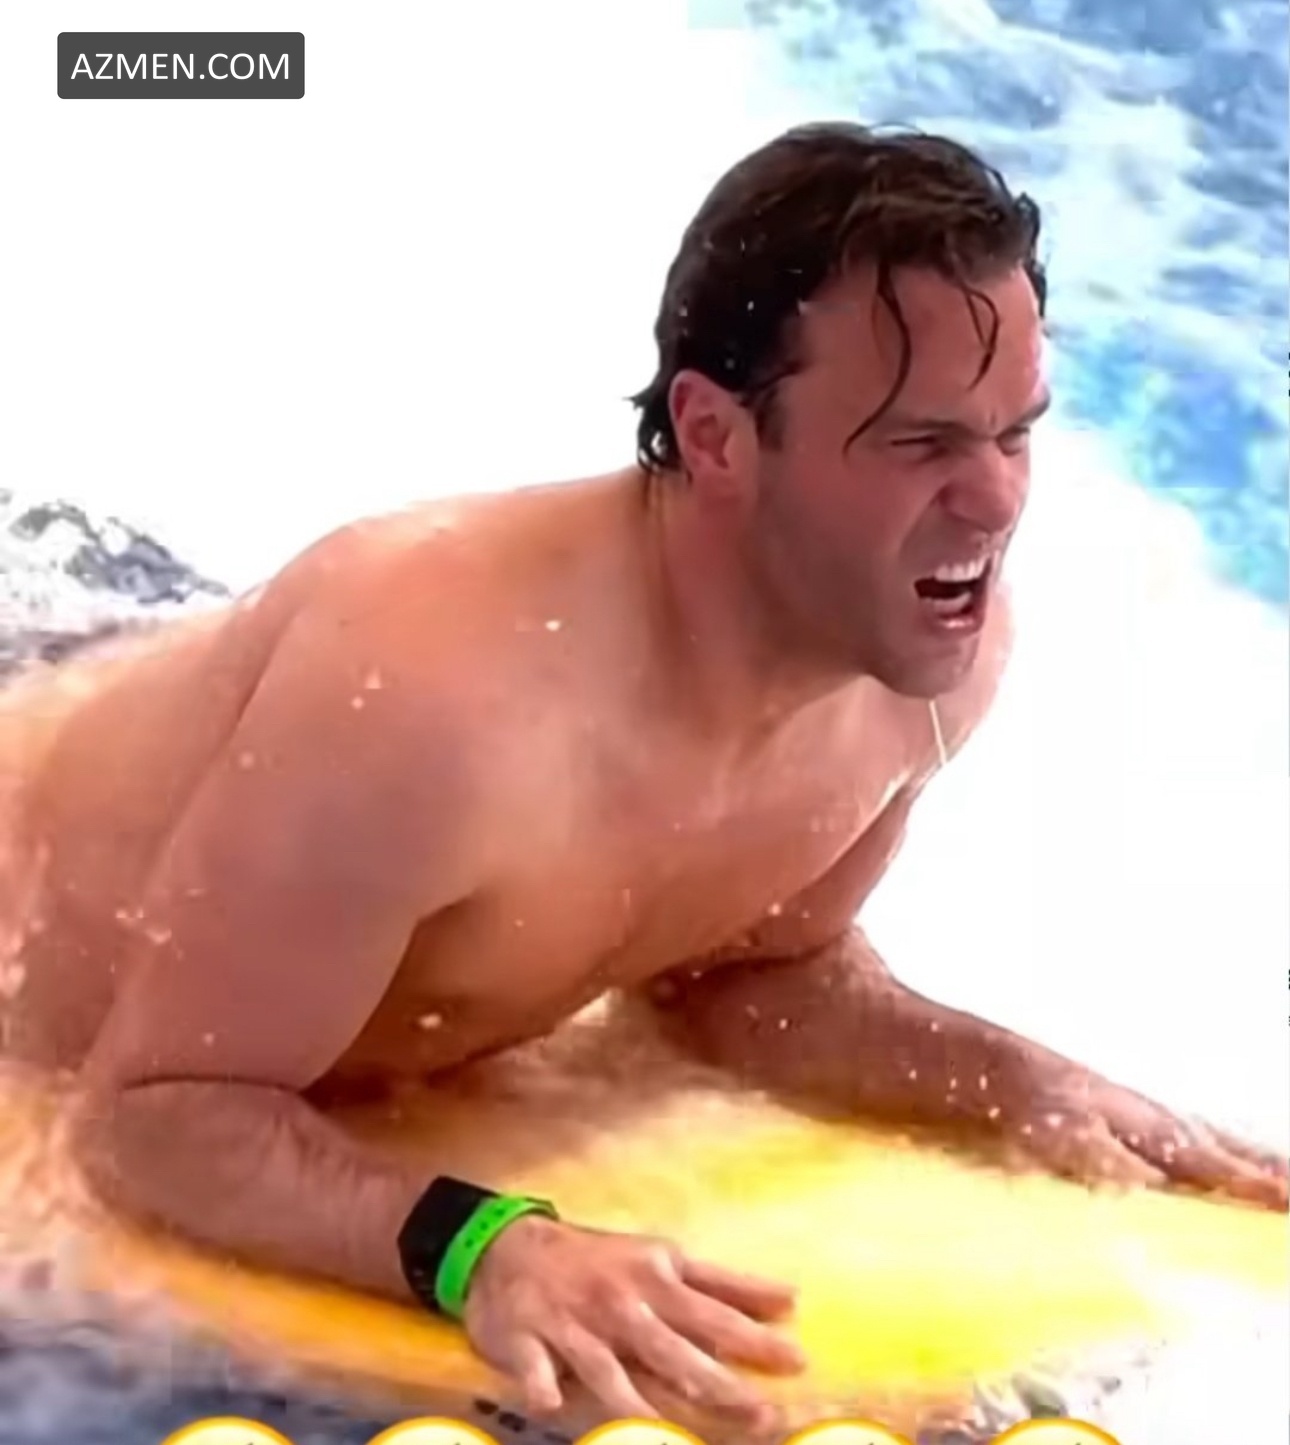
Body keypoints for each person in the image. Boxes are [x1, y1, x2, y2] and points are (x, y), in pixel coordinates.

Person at [1, 121, 1284, 1435]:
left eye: (1015, 434)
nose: (996, 502)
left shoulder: (923, 667)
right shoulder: (434, 709)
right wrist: (482, 1246)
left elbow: (746, 974)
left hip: (193, 727)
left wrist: (1011, 1081)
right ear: (714, 435)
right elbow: (150, 1117)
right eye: (919, 445)